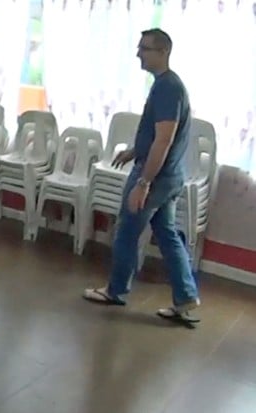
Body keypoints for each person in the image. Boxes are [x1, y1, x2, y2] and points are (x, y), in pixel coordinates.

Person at [83, 29, 201, 324]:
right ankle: (186, 296)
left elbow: (164, 139)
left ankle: (116, 290)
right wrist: (136, 150)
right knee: (166, 234)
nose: (138, 53)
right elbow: (161, 137)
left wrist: (143, 183)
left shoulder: (167, 87)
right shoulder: (167, 86)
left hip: (157, 176)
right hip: (169, 174)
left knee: (126, 231)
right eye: (139, 47)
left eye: (145, 48)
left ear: (163, 52)